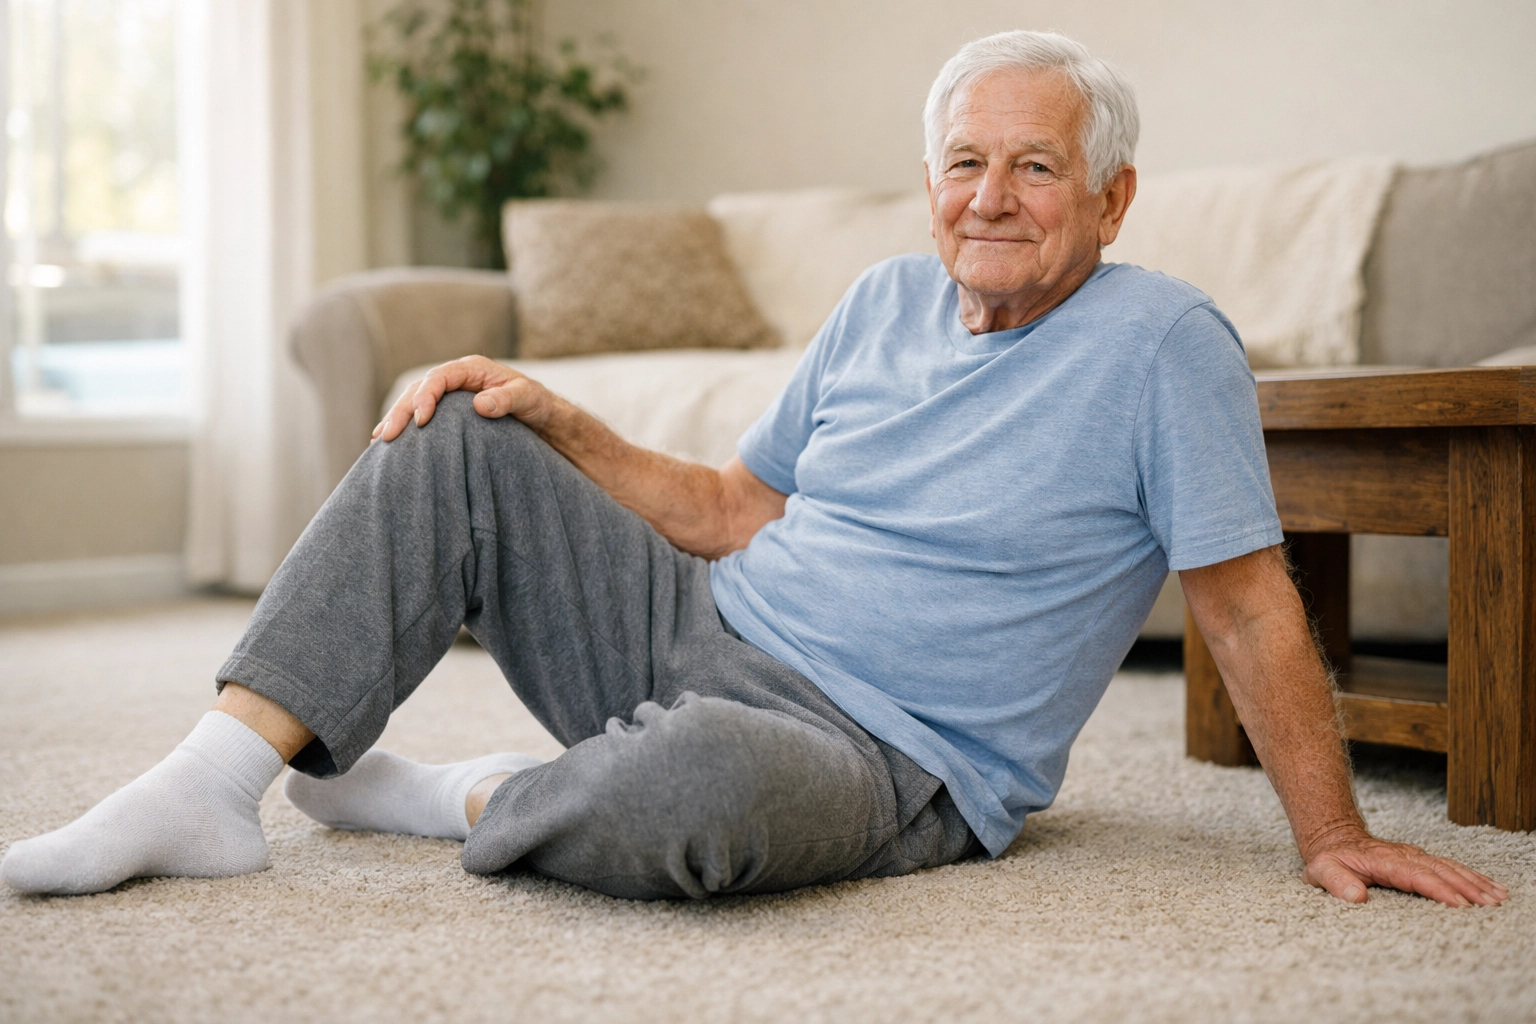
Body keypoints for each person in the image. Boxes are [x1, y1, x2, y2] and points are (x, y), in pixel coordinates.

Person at [2, 30, 1505, 908]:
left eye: (1036, 167)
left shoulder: (1167, 343)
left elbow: (1244, 599)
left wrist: (1335, 832)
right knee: (457, 422)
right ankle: (211, 785)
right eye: (966, 162)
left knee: (699, 793)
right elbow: (733, 508)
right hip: (700, 625)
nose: (991, 197)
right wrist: (555, 419)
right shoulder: (883, 298)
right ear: (930, 183)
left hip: (885, 754)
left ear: (1111, 200)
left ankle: (465, 795)